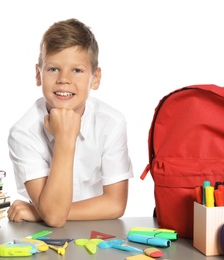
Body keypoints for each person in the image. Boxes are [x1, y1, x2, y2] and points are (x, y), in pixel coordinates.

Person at [7, 18, 133, 227]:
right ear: (38, 74)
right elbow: (55, 219)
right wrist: (65, 138)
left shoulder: (112, 122)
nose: (64, 79)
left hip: (95, 232)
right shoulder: (23, 133)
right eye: (53, 69)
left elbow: (115, 204)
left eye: (77, 70)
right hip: (45, 238)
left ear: (95, 78)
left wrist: (40, 212)